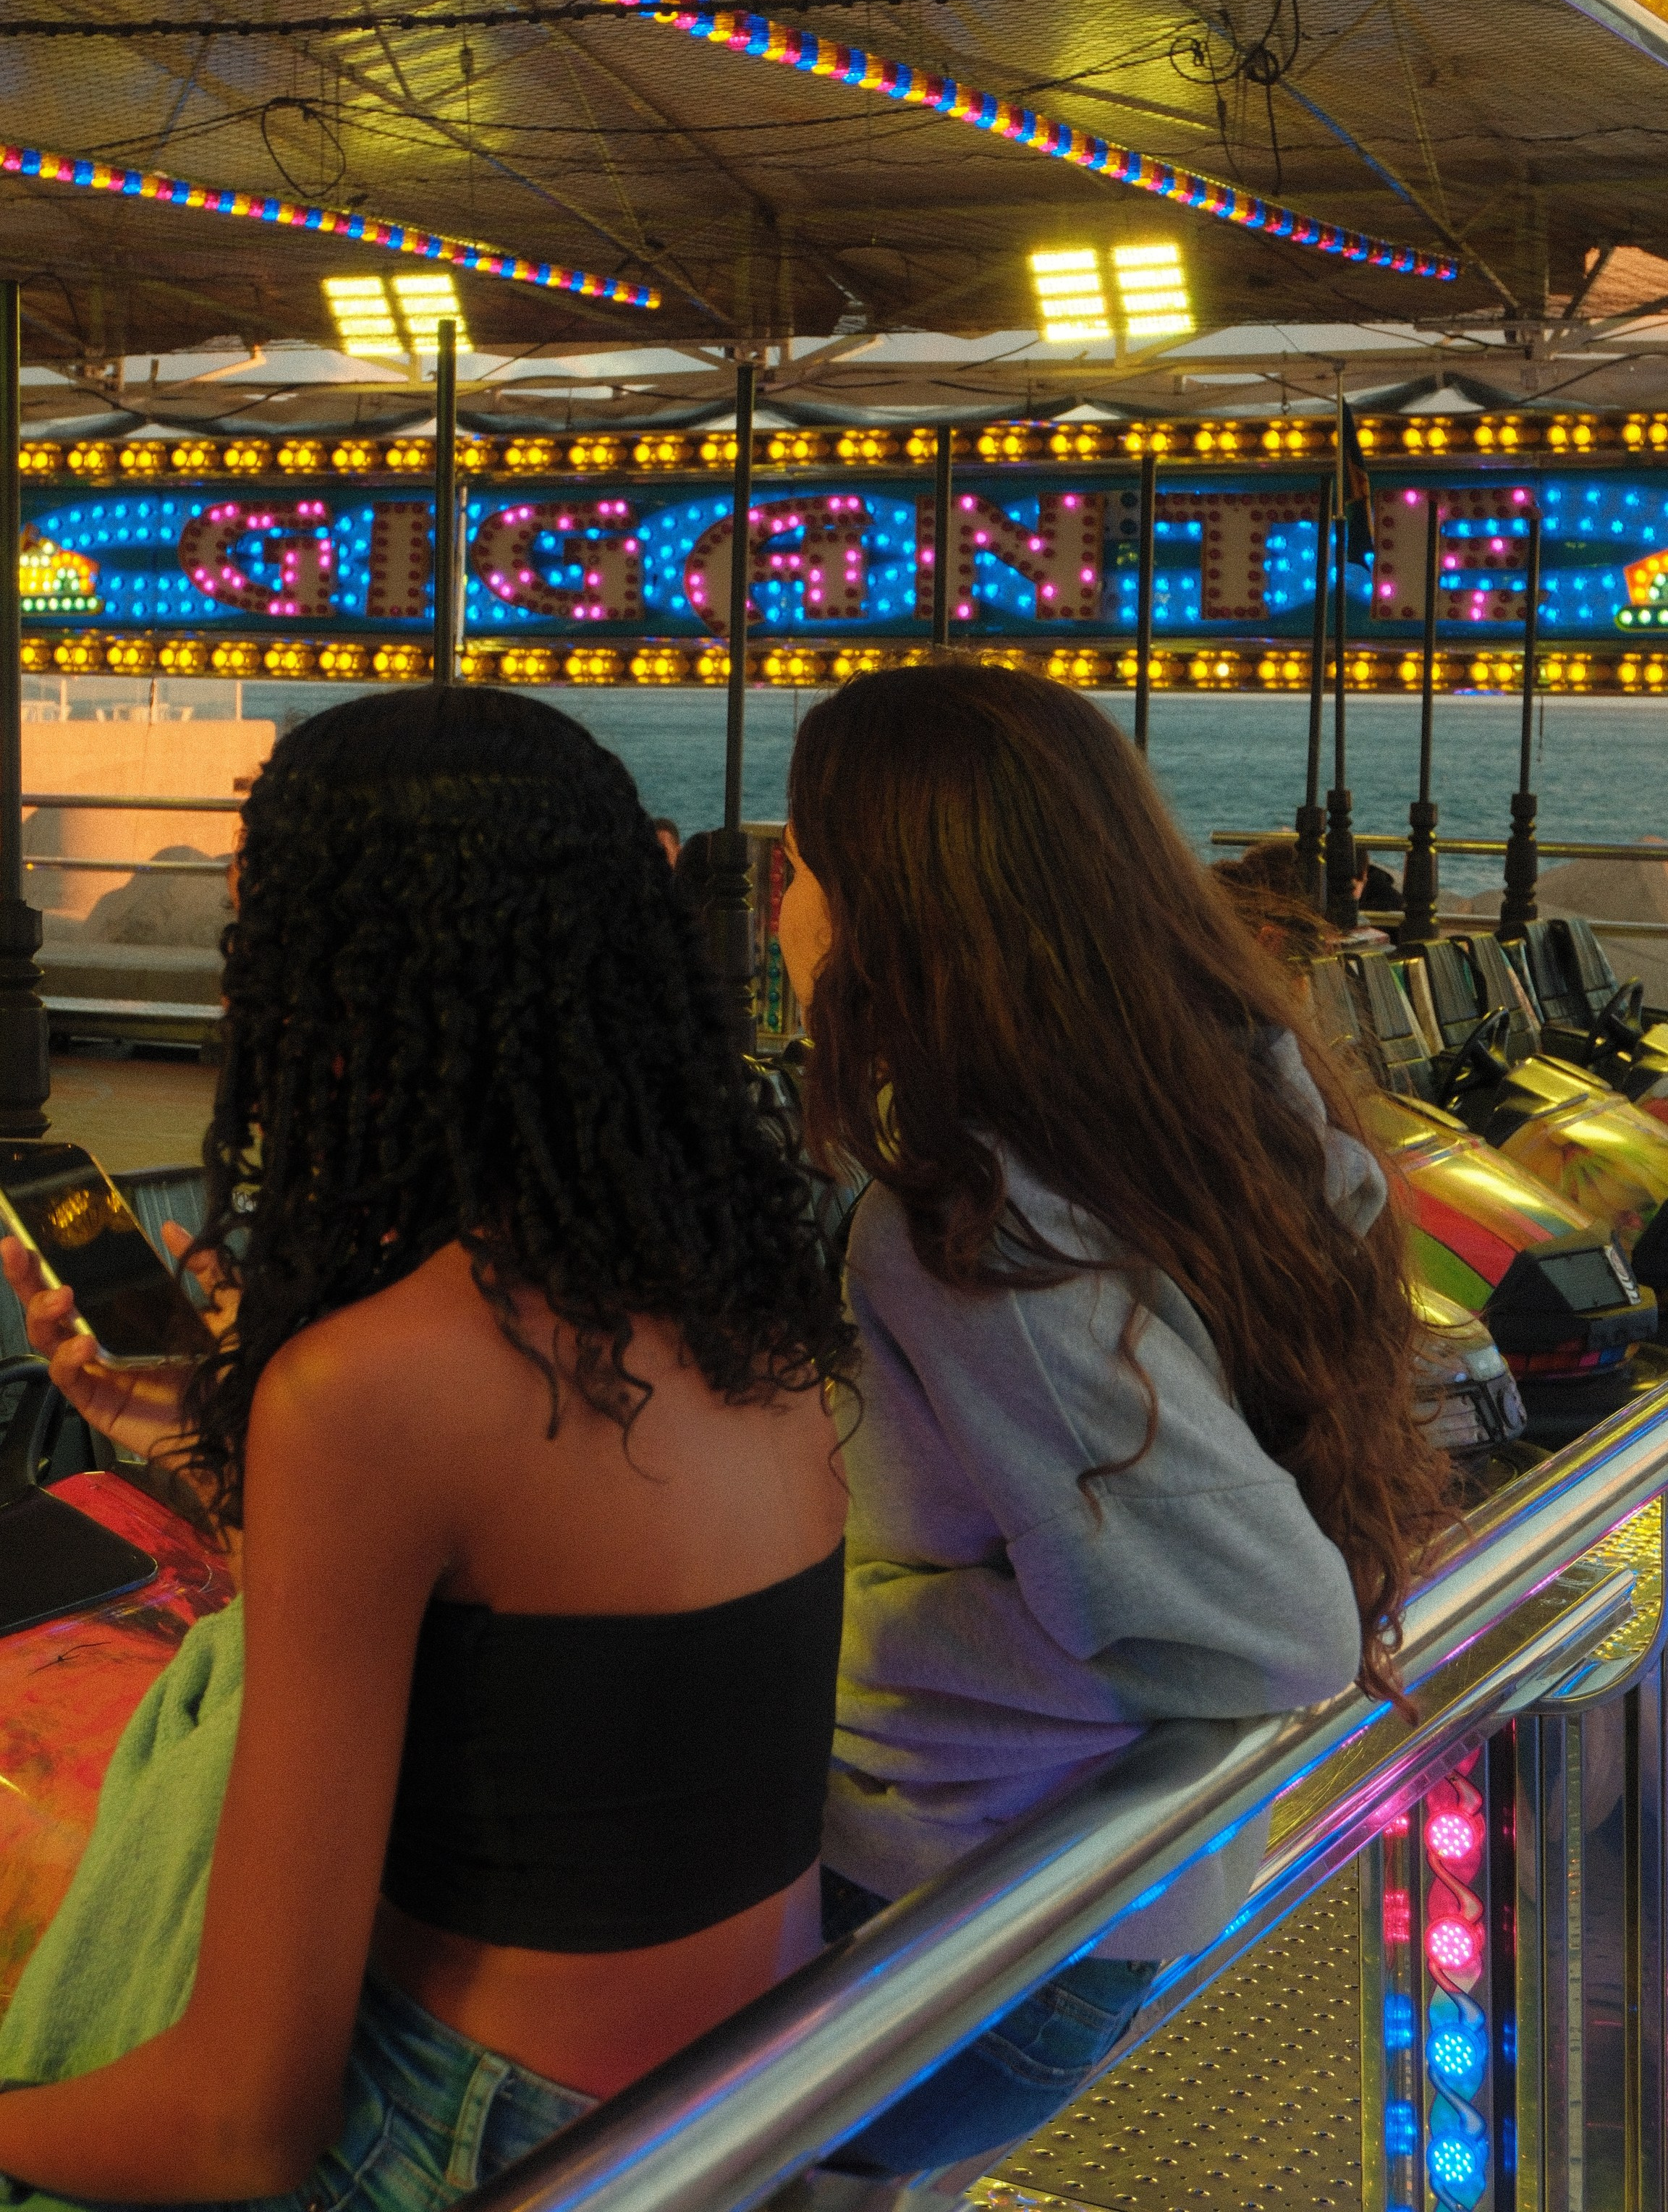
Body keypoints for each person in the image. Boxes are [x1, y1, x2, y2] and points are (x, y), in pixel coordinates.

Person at [0, 686, 850, 2212]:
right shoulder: (742, 1299)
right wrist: (219, 1449)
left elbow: (237, 2124)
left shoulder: (375, 1386)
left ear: (349, 987)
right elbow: (527, 1711)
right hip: (737, 2110)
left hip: (496, 2140)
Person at [776, 661, 1448, 2179]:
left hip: (969, 1932)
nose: (780, 906)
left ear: (895, 901)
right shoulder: (1216, 1118)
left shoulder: (977, 1227)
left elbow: (1277, 1624)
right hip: (1106, 1898)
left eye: (800, 864)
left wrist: (842, 1647)